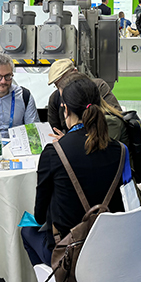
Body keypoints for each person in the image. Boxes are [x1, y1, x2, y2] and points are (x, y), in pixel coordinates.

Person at [20, 77, 127, 266]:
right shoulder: (120, 150)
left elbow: (40, 215)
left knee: (27, 231)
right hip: (111, 246)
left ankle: (52, 281)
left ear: (66, 109)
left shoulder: (54, 152)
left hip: (70, 255)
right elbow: (126, 200)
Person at [46, 58, 120, 134]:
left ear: (75, 72)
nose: (64, 88)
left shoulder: (98, 86)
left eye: (66, 81)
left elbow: (114, 117)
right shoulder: (55, 98)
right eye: (58, 86)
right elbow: (54, 130)